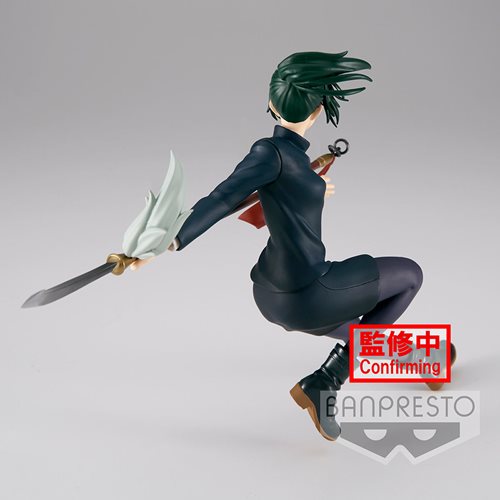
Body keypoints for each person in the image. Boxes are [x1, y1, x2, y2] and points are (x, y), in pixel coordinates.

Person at [132, 51, 435, 441]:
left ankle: (423, 358)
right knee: (410, 275)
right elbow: (223, 198)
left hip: (270, 297)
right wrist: (165, 243)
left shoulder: (284, 159)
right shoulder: (270, 153)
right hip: (310, 295)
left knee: (358, 328)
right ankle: (326, 380)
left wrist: (314, 189)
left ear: (271, 104)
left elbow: (238, 197)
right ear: (319, 111)